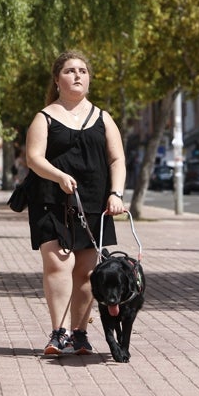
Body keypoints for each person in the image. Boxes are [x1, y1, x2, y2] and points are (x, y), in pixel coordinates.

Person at [24, 50, 126, 356]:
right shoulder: (44, 117)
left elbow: (117, 158)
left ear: (89, 79)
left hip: (95, 201)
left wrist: (117, 193)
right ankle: (59, 332)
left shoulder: (103, 118)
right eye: (69, 71)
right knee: (58, 263)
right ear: (57, 80)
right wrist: (58, 176)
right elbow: (33, 158)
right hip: (51, 200)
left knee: (85, 272)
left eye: (82, 70)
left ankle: (80, 333)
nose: (77, 75)